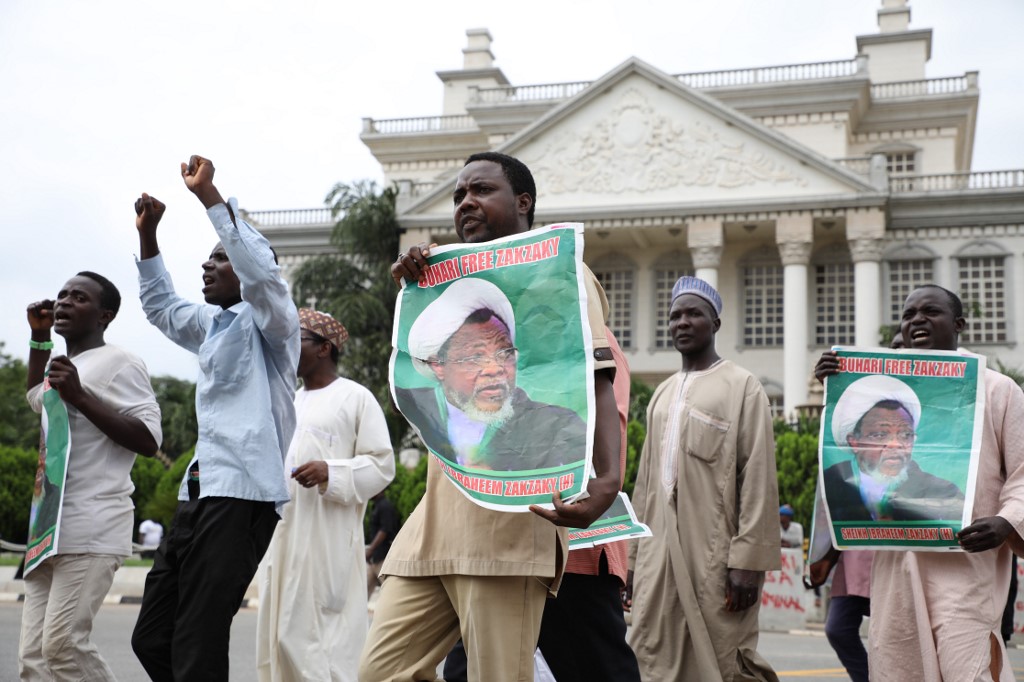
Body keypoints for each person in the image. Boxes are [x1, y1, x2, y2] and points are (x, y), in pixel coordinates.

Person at [360, 151, 621, 682]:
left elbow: (594, 377)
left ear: (523, 202)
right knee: (379, 672)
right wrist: (419, 284)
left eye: (481, 190)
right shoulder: (441, 278)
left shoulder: (562, 274)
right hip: (433, 528)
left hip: (511, 530)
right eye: (459, 195)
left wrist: (608, 479)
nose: (466, 203)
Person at [130, 156, 300, 682]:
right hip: (198, 492)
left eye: (221, 258)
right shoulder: (211, 324)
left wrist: (209, 195)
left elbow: (262, 275)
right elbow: (161, 307)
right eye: (207, 259)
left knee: (197, 640)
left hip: (242, 497)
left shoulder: (275, 325)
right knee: (152, 637)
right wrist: (148, 235)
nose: (208, 266)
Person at [814, 284, 1024, 681]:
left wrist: (1005, 522)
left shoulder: (997, 390)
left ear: (959, 324)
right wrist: (836, 386)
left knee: (968, 667)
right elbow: (841, 479)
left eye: (931, 311)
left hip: (965, 568)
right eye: (909, 315)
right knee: (899, 665)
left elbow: (1022, 472)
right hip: (896, 571)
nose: (917, 320)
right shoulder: (878, 392)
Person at [626, 275, 781, 682]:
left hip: (715, 555)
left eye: (693, 314)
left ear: (715, 323)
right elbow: (645, 486)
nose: (682, 322)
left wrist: (748, 563)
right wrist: (632, 562)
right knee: (651, 653)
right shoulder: (661, 395)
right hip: (657, 555)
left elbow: (758, 477)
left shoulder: (742, 386)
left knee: (723, 659)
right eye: (675, 315)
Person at [20, 272, 162, 681]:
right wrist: (39, 339)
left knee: (63, 646)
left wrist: (80, 396)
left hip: (93, 525)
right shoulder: (64, 366)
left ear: (105, 315)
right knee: (34, 659)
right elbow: (37, 399)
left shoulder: (121, 362)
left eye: (79, 297)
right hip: (47, 527)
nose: (65, 301)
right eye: (62, 295)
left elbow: (149, 439)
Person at [257, 308, 394, 682]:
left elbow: (382, 465)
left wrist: (331, 472)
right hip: (281, 535)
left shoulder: (355, 397)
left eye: (296, 339)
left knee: (318, 642)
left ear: (324, 347)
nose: (287, 347)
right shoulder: (287, 399)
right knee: (277, 635)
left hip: (326, 540)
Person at [395, 277, 585, 471]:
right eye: (475, 357)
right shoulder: (415, 406)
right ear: (438, 366)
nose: (494, 369)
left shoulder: (557, 425)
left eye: (505, 353)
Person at [823, 374, 965, 522]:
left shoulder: (941, 491)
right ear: (854, 442)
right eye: (880, 435)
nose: (895, 444)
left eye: (905, 435)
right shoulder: (830, 482)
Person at [366, 488, 400, 599]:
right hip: (375, 558)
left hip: (383, 558)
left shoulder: (385, 506)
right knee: (362, 592)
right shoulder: (377, 506)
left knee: (391, 592)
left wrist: (370, 549)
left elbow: (384, 530)